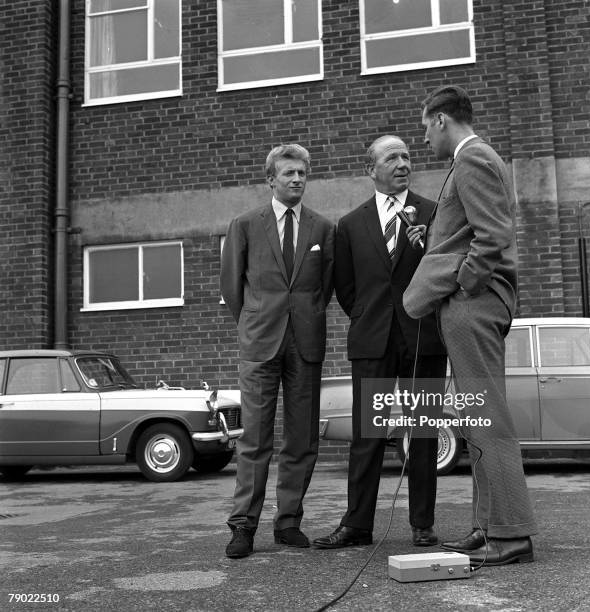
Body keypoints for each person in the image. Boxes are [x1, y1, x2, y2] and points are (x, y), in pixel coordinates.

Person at [403, 85, 538, 566]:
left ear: (441, 120)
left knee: (489, 421)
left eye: (424, 126)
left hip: (473, 304)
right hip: (475, 303)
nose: (423, 139)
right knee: (478, 417)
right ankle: (488, 527)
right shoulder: (476, 159)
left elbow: (494, 235)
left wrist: (463, 283)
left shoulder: (473, 158)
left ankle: (511, 533)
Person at [313, 136, 447, 550]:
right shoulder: (350, 225)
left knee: (423, 432)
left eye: (406, 156)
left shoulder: (434, 213)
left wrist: (424, 247)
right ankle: (357, 526)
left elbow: (444, 269)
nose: (403, 163)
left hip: (422, 339)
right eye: (392, 158)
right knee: (367, 435)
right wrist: (372, 320)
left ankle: (422, 525)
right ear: (371, 168)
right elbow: (347, 290)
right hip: (373, 342)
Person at [220, 144, 335, 559]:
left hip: (305, 343)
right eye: (288, 173)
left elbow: (326, 287)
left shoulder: (323, 229)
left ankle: (288, 521)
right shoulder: (246, 224)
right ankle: (243, 526)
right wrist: (255, 321)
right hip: (260, 343)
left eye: (303, 172)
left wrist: (302, 316)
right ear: (271, 179)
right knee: (254, 437)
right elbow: (232, 288)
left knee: (302, 438)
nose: (297, 179)